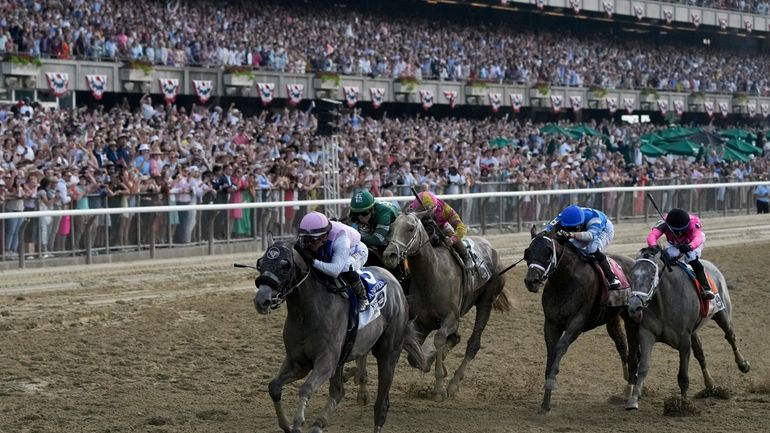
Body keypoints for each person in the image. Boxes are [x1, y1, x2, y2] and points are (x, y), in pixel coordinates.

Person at [297, 211, 371, 311]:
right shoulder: (314, 234)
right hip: (333, 248)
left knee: (345, 267)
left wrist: (313, 261)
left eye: (313, 240)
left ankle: (363, 297)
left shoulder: (341, 239)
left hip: (355, 250)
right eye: (305, 239)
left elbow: (335, 271)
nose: (309, 244)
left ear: (324, 237)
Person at [546, 204, 621, 290]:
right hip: (584, 228)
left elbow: (590, 236)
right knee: (568, 245)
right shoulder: (562, 216)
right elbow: (547, 230)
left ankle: (612, 278)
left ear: (581, 224)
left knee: (591, 248)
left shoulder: (594, 218)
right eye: (568, 228)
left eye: (575, 228)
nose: (571, 229)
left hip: (604, 229)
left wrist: (572, 234)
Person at [646, 208, 714, 300]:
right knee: (665, 259)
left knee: (691, 259)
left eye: (680, 231)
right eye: (675, 231)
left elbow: (698, 237)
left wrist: (690, 246)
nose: (678, 234)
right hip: (674, 244)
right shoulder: (663, 223)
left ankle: (706, 288)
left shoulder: (693, 223)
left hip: (692, 242)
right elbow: (652, 236)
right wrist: (653, 246)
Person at [407, 190, 474, 270]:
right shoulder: (411, 208)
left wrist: (452, 239)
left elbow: (461, 227)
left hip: (440, 229)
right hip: (421, 230)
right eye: (422, 211)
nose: (426, 214)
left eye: (429, 211)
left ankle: (466, 256)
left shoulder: (444, 208)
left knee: (448, 230)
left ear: (435, 206)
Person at [348, 190, 400, 255]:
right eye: (356, 213)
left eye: (364, 213)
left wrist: (354, 237)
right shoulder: (359, 213)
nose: (360, 217)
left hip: (395, 227)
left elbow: (378, 240)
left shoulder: (384, 215)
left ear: (372, 210)